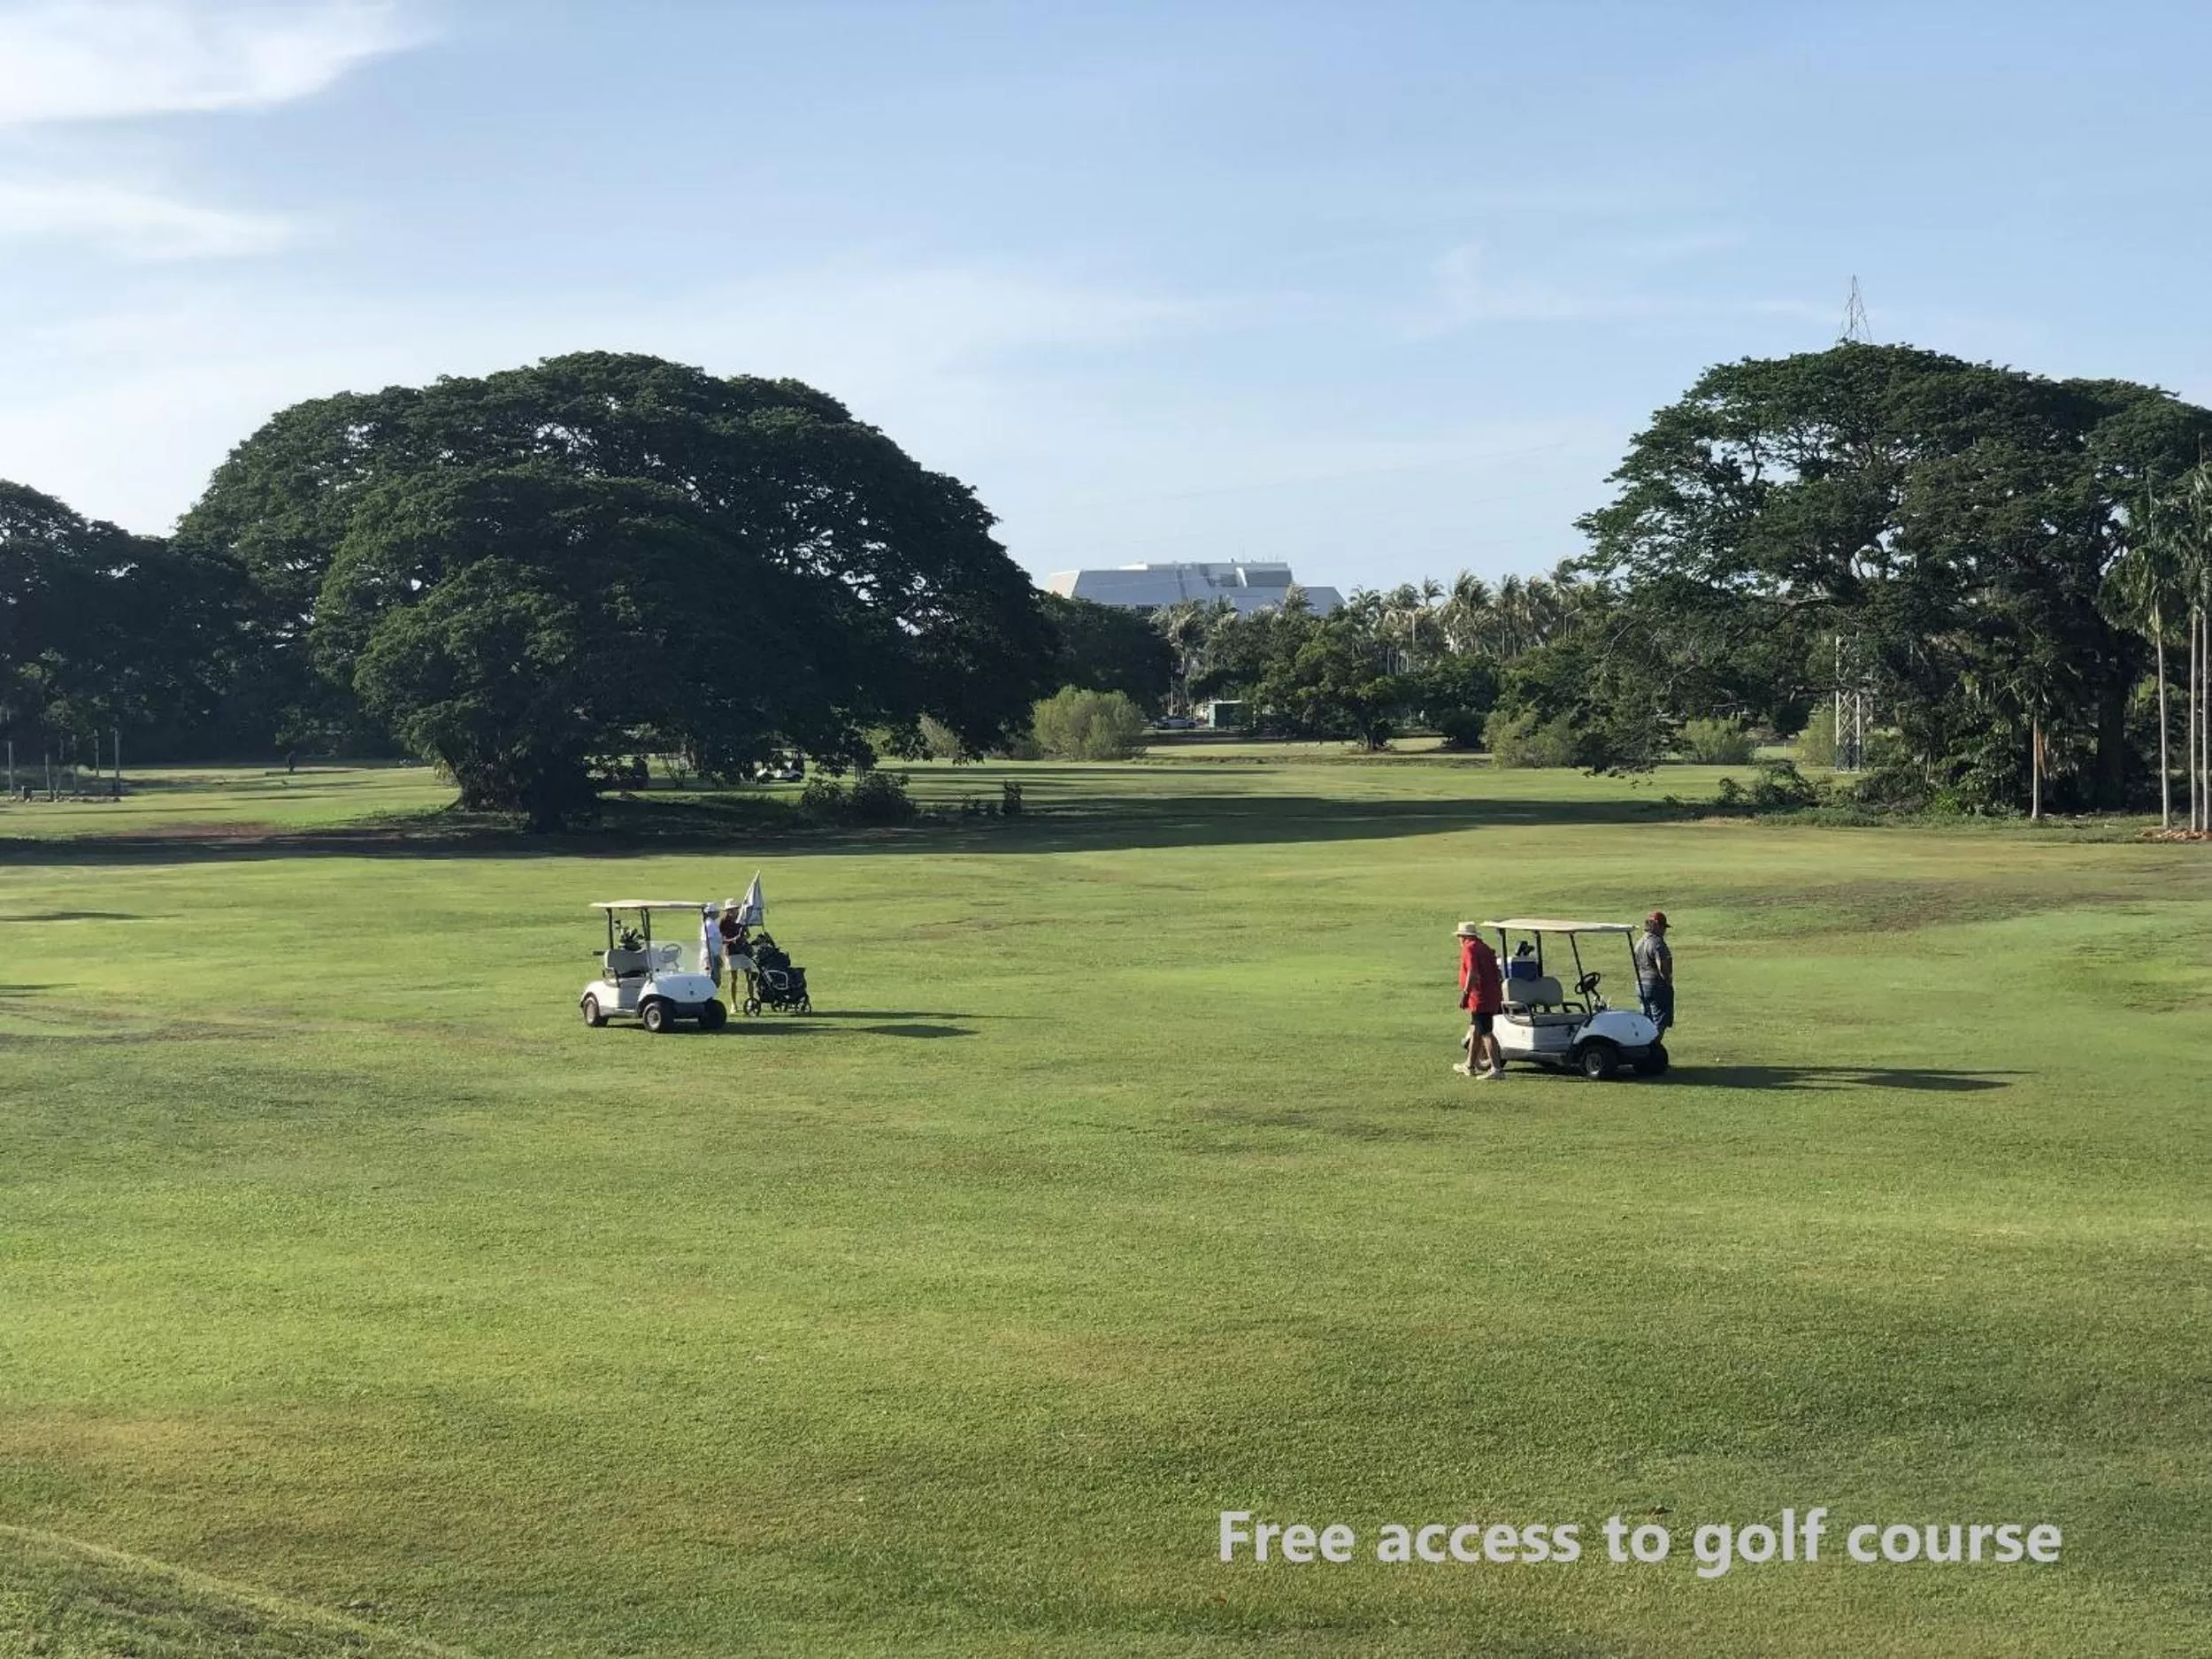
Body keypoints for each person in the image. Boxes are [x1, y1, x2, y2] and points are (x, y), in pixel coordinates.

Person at [1455, 922, 1507, 1079]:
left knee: (1485, 1032)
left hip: (1480, 997)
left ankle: (1497, 1069)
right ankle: (1469, 1065)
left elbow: (1472, 972)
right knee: (1476, 1030)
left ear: (1464, 937)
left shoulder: (1469, 948)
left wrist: (1465, 994)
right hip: (1491, 995)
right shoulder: (1484, 947)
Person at [1633, 910, 1674, 1034]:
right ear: (1655, 925)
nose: (1664, 931)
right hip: (1657, 986)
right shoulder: (1657, 943)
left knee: (1646, 1021)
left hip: (1641, 985)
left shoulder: (1639, 942)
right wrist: (1668, 981)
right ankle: (1652, 1048)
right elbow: (1662, 966)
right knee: (1659, 1023)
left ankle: (1644, 1046)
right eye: (1662, 927)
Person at [717, 902, 755, 1009]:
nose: (732, 911)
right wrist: (733, 940)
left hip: (744, 951)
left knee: (749, 976)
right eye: (730, 910)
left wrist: (743, 938)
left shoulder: (741, 919)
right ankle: (734, 1004)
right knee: (734, 978)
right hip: (731, 952)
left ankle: (751, 1001)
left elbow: (748, 934)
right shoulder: (723, 922)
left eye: (733, 909)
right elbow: (721, 939)